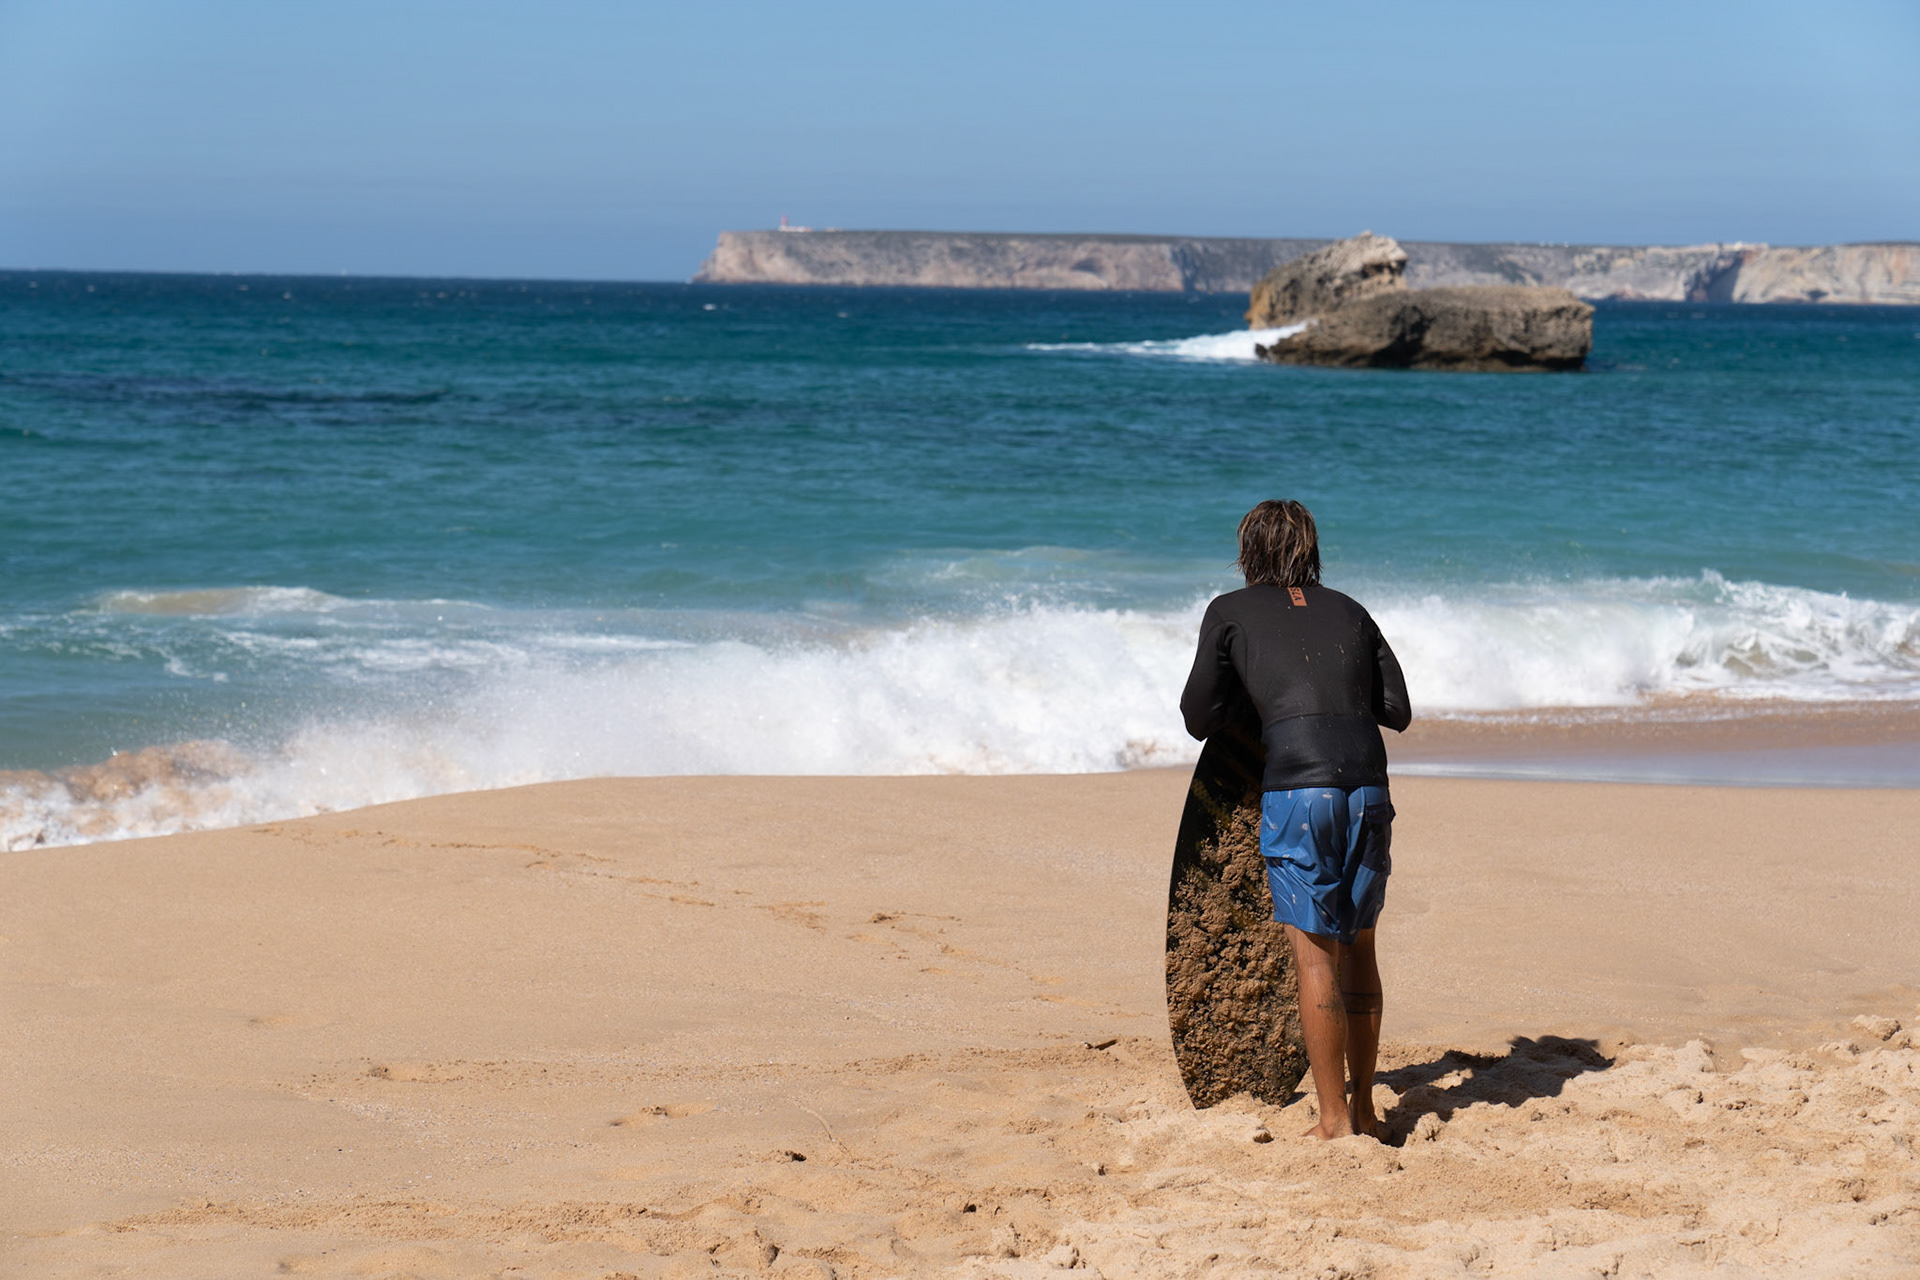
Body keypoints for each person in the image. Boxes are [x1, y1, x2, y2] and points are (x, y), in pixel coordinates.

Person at [1180, 500, 1412, 1141]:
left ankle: (1333, 1121)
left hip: (1300, 796)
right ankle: (1365, 1111)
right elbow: (1397, 709)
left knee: (1315, 959)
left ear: (1247, 553)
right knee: (1360, 948)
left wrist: (1262, 696)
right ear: (1311, 551)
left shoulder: (1229, 612)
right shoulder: (1351, 610)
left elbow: (1198, 716)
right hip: (1368, 789)